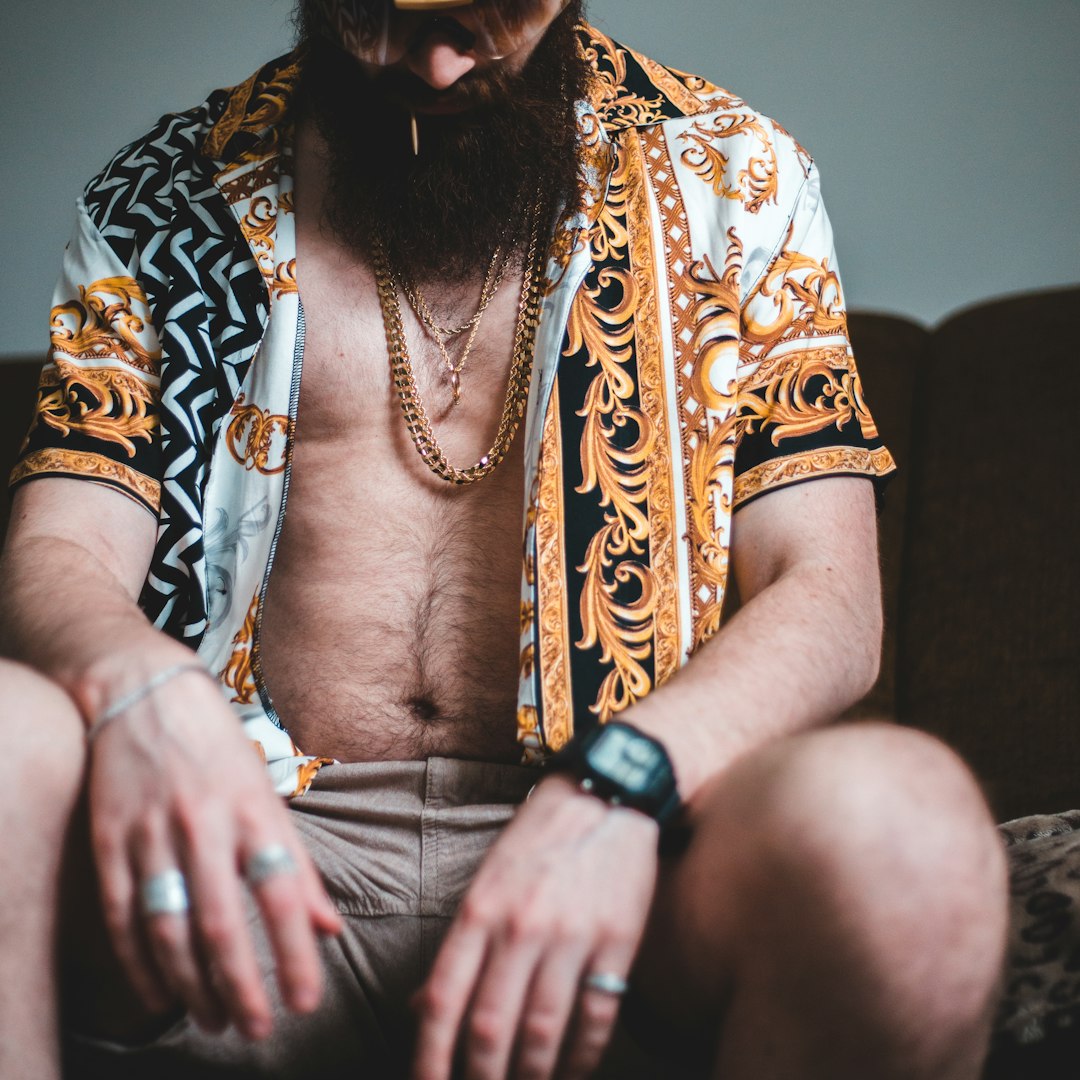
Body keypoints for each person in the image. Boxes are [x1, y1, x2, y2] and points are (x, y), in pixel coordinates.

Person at [0, 1, 1008, 1077]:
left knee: (907, 827)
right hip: (247, 861)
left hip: (635, 871)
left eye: (486, 15)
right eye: (377, 16)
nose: (433, 64)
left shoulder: (737, 176)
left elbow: (830, 596)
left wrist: (620, 786)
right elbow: (61, 553)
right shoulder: (168, 196)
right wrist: (146, 697)